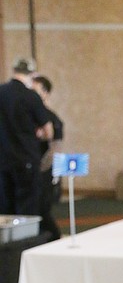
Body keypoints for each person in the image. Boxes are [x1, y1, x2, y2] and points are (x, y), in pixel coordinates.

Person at [0, 57, 53, 216]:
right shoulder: (31, 97)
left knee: (6, 207)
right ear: (32, 74)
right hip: (26, 160)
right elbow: (48, 131)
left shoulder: (1, 92)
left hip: (3, 160)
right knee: (27, 207)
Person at [31, 74, 64, 241]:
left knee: (43, 209)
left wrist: (40, 169)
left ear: (45, 93)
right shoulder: (28, 117)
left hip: (44, 171)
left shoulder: (52, 118)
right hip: (31, 170)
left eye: (35, 91)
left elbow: (54, 149)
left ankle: (55, 238)